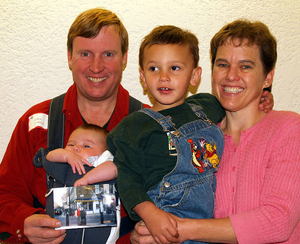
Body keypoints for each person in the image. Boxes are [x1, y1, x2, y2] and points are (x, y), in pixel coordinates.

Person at [132, 19, 300, 244]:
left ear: (268, 77)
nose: (231, 75)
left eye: (245, 66)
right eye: (222, 64)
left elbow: (278, 222)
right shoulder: (197, 137)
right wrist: (148, 233)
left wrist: (180, 230)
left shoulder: (288, 127)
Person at [0, 7, 148, 244]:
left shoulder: (152, 126)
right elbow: (5, 193)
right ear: (70, 57)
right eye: (85, 54)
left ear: (125, 58)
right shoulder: (36, 124)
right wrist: (24, 222)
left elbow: (178, 198)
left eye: (108, 54)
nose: (97, 67)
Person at [106, 25, 225, 244]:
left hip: (207, 228)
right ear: (142, 77)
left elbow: (235, 107)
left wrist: (263, 99)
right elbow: (127, 179)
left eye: (175, 68)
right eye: (154, 69)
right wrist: (150, 215)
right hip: (163, 224)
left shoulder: (206, 106)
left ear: (195, 76)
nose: (164, 77)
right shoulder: (134, 125)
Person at [40, 124, 117, 186]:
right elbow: (48, 157)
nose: (76, 147)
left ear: (105, 152)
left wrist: (87, 179)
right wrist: (67, 155)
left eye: (86, 146)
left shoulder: (102, 160)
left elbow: (114, 169)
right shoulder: (64, 159)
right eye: (71, 144)